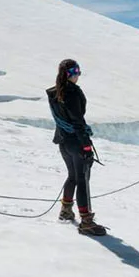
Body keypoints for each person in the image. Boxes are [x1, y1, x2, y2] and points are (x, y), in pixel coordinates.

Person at [46, 59, 106, 236]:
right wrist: (86, 146)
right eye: (76, 71)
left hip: (63, 142)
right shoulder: (72, 93)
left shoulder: (55, 92)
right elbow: (78, 122)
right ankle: (86, 221)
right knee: (82, 179)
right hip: (76, 141)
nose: (78, 75)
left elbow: (64, 120)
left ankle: (66, 211)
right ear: (70, 73)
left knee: (73, 176)